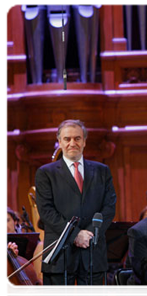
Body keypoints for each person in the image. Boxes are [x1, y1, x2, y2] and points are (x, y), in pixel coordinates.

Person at [35, 119, 116, 296]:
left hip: (93, 252)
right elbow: (47, 212)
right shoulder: (45, 173)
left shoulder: (102, 171)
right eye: (67, 139)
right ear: (60, 141)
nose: (73, 143)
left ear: (84, 141)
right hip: (59, 255)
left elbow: (109, 208)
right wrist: (76, 235)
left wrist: (89, 234)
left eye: (77, 138)